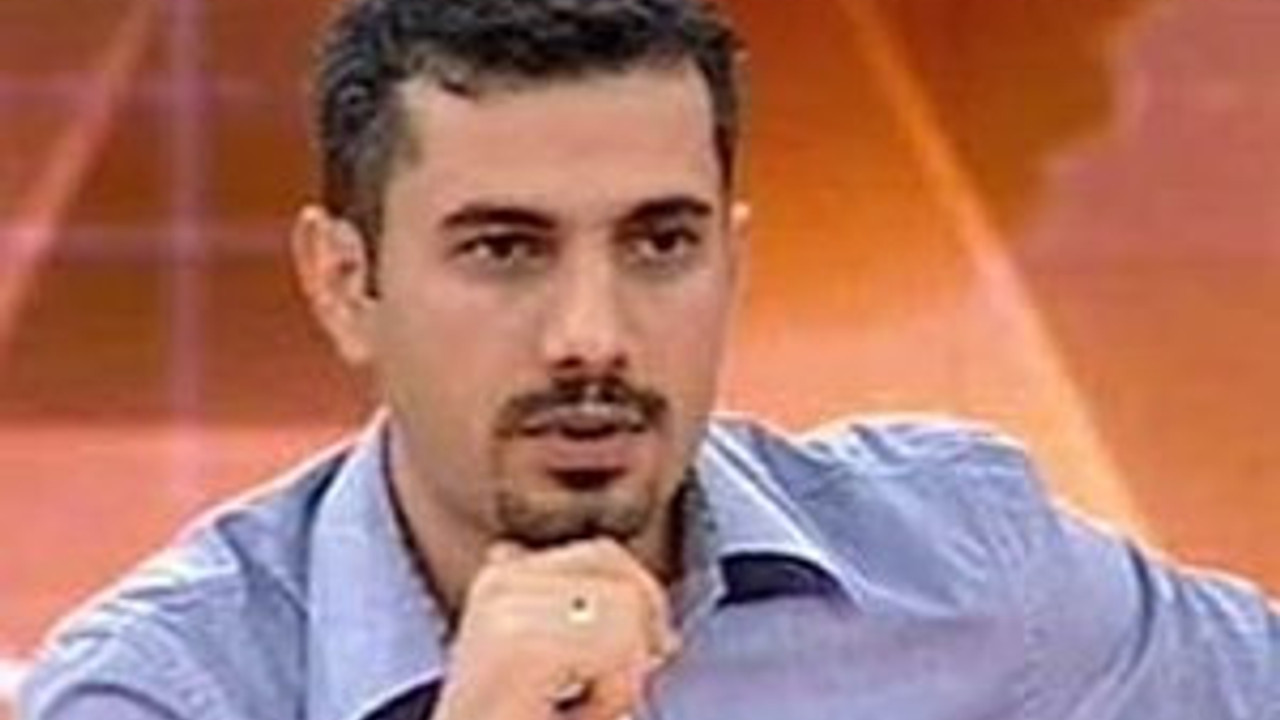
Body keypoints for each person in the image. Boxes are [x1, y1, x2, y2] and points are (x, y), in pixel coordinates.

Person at [19, 0, 1279, 718]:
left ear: (731, 262)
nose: (593, 335)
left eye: (659, 243)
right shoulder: (165, 691)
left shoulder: (959, 564)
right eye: (504, 249)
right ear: (347, 284)